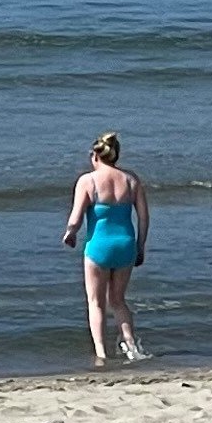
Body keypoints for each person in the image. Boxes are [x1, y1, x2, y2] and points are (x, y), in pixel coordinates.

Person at [62, 132, 150, 366]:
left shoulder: (88, 181)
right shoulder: (131, 181)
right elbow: (143, 218)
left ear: (95, 156)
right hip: (125, 245)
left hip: (99, 247)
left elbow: (75, 217)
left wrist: (70, 234)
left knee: (96, 302)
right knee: (118, 300)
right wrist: (140, 246)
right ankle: (131, 346)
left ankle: (102, 353)